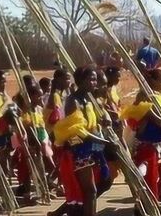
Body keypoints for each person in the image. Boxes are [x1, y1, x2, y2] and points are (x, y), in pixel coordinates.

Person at [49, 66, 113, 216]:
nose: (94, 83)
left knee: (103, 181)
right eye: (90, 79)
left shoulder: (88, 100)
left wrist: (102, 125)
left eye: (95, 79)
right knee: (90, 190)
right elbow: (78, 132)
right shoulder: (73, 101)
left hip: (92, 146)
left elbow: (91, 127)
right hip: (79, 150)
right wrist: (104, 142)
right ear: (81, 81)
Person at [121, 69, 161, 213]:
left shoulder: (160, 98)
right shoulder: (144, 97)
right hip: (148, 144)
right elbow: (152, 116)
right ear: (151, 81)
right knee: (148, 177)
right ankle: (145, 205)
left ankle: (147, 202)